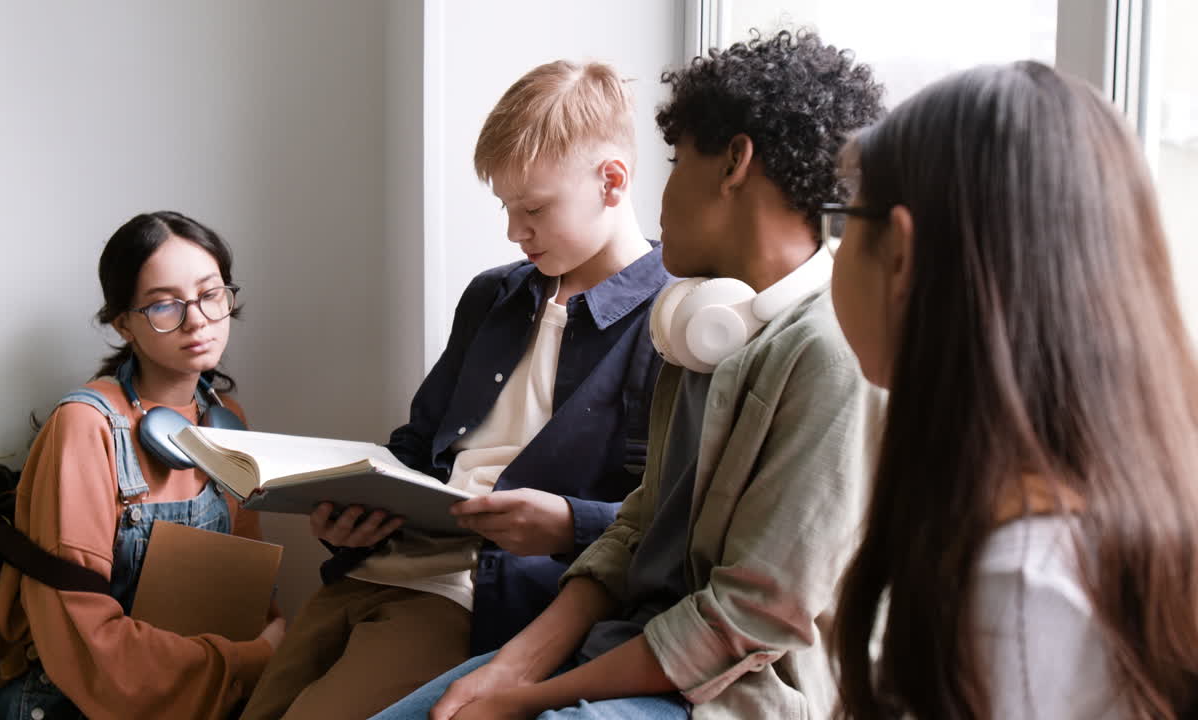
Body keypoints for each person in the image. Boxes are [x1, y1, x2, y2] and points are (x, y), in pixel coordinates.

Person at [370, 29, 885, 720]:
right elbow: (634, 532)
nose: (660, 186)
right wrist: (514, 667)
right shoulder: (704, 321)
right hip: (612, 648)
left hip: (727, 694)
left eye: (677, 160)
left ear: (735, 163)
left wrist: (528, 699)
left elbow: (747, 622)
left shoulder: (829, 351)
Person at [240, 59, 671, 720]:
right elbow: (416, 448)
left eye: (533, 208)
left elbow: (674, 521)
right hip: (373, 569)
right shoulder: (494, 295)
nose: (512, 230)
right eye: (505, 207)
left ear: (612, 181)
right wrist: (350, 514)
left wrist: (568, 523)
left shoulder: (675, 321)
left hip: (477, 595)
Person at [828, 60, 1198, 720]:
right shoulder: (1108, 523)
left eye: (845, 218)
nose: (835, 250)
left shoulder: (1023, 590)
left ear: (902, 254)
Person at [0, 211, 283, 720]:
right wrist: (254, 659)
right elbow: (85, 642)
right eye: (164, 304)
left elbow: (249, 596)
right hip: (73, 701)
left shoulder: (227, 423)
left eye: (210, 294)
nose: (197, 320)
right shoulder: (85, 427)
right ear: (123, 323)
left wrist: (261, 655)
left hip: (203, 691)